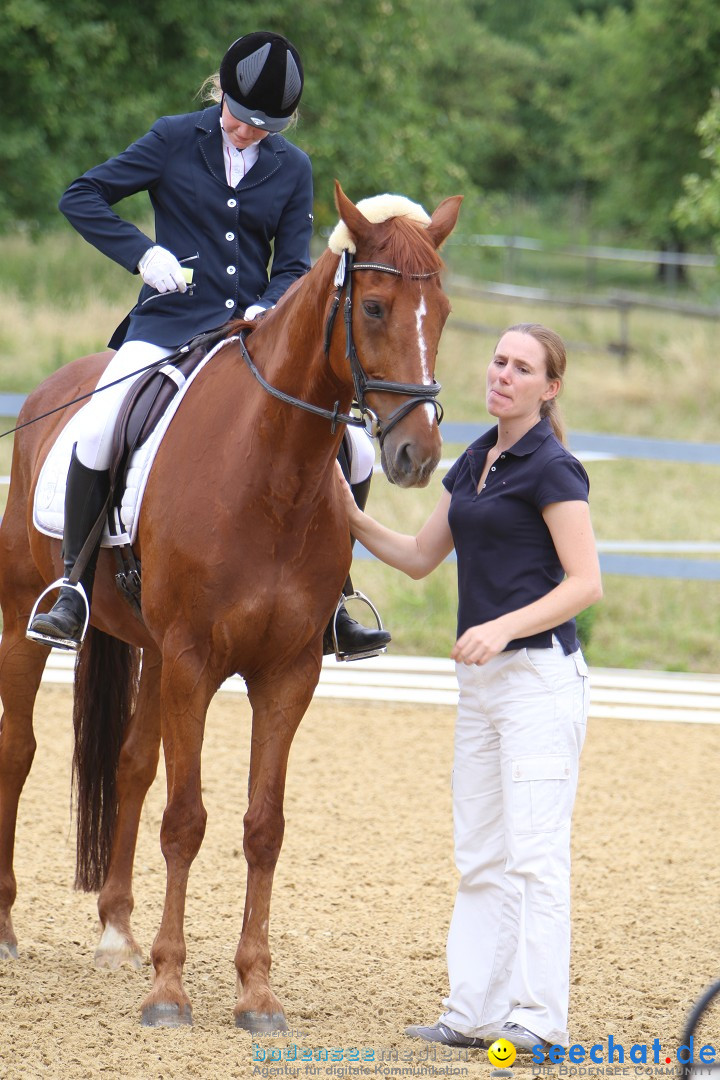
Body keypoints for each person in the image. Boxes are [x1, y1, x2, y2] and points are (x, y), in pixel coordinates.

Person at [27, 30, 390, 658]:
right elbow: (80, 195)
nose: (249, 133)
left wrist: (270, 306)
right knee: (99, 428)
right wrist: (143, 254)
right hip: (169, 327)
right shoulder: (173, 138)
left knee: (354, 449)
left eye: (265, 127)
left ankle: (335, 599)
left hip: (255, 340)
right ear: (221, 92)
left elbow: (293, 264)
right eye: (242, 119)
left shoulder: (293, 167)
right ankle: (74, 588)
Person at [335, 323, 602, 1053]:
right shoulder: (477, 459)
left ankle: (541, 1022)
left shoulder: (554, 468)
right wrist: (353, 516)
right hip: (481, 686)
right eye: (498, 360)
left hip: (538, 681)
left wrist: (502, 627)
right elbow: (421, 556)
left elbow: (586, 582)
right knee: (481, 853)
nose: (503, 374)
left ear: (549, 389)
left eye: (522, 368)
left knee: (535, 857)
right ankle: (473, 1012)